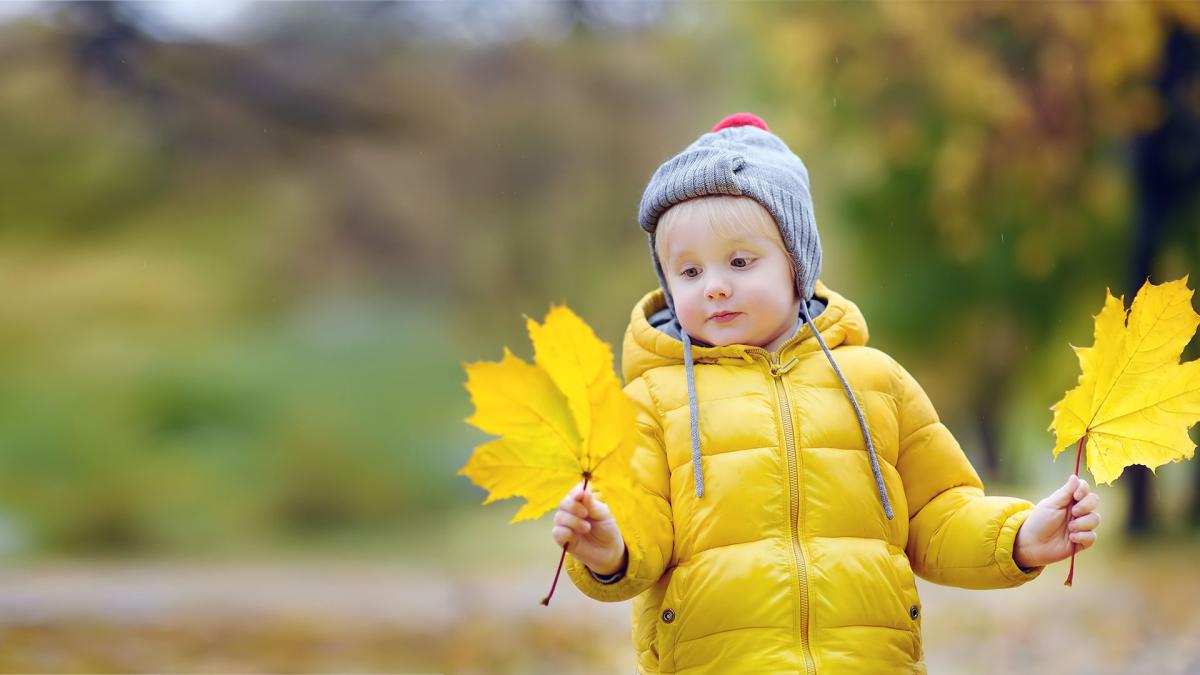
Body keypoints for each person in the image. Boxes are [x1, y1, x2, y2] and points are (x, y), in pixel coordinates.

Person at [549, 113, 1101, 674]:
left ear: (798, 264)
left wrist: (1020, 536)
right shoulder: (650, 401)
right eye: (688, 272)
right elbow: (642, 523)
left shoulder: (876, 382)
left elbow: (938, 514)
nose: (714, 284)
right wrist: (609, 549)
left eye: (740, 261)